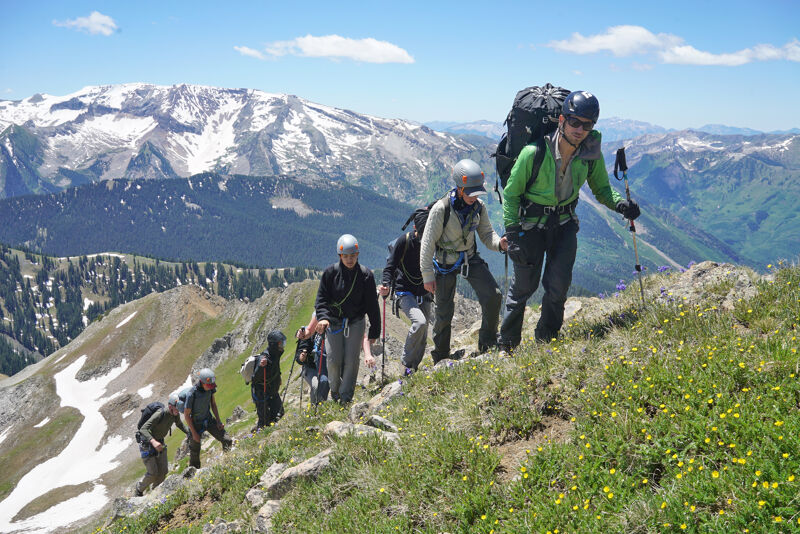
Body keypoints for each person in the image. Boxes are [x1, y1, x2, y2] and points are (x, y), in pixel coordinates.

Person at [498, 90, 640, 347]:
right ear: (562, 120)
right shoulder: (533, 153)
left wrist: (621, 204)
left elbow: (602, 189)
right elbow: (511, 194)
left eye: (587, 124)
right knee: (522, 289)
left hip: (563, 226)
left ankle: (547, 341)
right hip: (529, 227)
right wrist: (512, 233)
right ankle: (507, 346)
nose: (580, 129)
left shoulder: (589, 154)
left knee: (558, 286)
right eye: (575, 121)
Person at [420, 159, 508, 361]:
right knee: (443, 311)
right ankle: (441, 357)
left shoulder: (479, 207)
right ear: (459, 188)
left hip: (469, 257)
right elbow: (427, 244)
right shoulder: (441, 210)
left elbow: (487, 233)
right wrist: (427, 276)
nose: (474, 196)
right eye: (470, 192)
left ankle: (487, 344)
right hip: (443, 263)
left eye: (477, 192)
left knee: (493, 295)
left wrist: (499, 244)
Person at [314, 234, 380, 404]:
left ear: (357, 255)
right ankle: (335, 391)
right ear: (340, 256)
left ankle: (345, 398)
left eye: (353, 256)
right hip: (333, 323)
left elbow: (372, 305)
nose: (350, 260)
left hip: (356, 322)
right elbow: (321, 300)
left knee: (351, 361)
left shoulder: (366, 275)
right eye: (346, 256)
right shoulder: (330, 274)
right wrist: (322, 318)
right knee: (333, 360)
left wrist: (374, 330)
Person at [379, 210, 433, 373]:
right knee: (420, 322)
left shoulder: (432, 238)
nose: (426, 237)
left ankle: (413, 370)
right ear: (416, 228)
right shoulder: (404, 241)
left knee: (423, 337)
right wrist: (386, 284)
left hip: (424, 292)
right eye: (423, 233)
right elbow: (390, 266)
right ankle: (405, 364)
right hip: (404, 291)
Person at [134, 393, 188, 496]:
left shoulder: (174, 414)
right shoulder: (159, 414)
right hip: (147, 444)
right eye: (176, 408)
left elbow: (180, 425)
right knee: (153, 473)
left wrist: (190, 433)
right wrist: (153, 441)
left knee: (163, 471)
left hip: (160, 443)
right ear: (170, 406)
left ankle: (155, 493)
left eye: (179, 409)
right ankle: (138, 489)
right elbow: (143, 429)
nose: (178, 411)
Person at [183, 368, 233, 468]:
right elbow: (186, 415)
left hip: (208, 419)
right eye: (208, 385)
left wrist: (218, 421)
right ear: (201, 382)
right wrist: (194, 433)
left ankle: (227, 462)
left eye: (211, 386)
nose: (210, 388)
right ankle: (193, 473)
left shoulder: (210, 389)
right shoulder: (191, 394)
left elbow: (213, 404)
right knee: (195, 452)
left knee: (227, 440)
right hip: (195, 423)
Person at [251, 330, 286, 429]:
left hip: (272, 389)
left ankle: (274, 430)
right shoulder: (263, 358)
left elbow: (277, 367)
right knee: (265, 421)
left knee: (279, 413)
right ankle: (257, 433)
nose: (282, 345)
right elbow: (254, 378)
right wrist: (261, 367)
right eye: (280, 343)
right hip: (261, 392)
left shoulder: (277, 353)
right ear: (274, 344)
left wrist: (278, 377)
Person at [295, 313, 330, 405]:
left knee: (326, 381)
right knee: (316, 384)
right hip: (310, 368)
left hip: (325, 366)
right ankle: (316, 405)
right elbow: (299, 355)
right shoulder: (307, 335)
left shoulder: (328, 331)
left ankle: (322, 403)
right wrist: (301, 357)